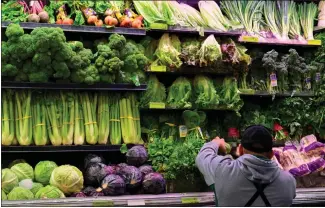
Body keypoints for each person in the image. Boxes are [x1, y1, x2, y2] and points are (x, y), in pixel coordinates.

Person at [196, 125, 296, 207]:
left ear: (240, 150)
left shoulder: (222, 169)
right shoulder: (289, 181)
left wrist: (216, 142)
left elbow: (203, 156)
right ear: (271, 154)